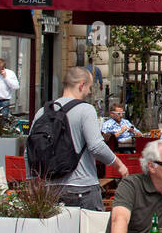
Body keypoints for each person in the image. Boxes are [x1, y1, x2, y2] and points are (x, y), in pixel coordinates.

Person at [33, 67, 127, 210]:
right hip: (82, 188)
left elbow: (30, 149)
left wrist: (32, 181)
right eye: (89, 87)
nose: (89, 92)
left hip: (49, 188)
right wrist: (119, 164)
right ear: (81, 85)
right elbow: (96, 146)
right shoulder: (85, 109)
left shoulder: (43, 111)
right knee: (91, 232)